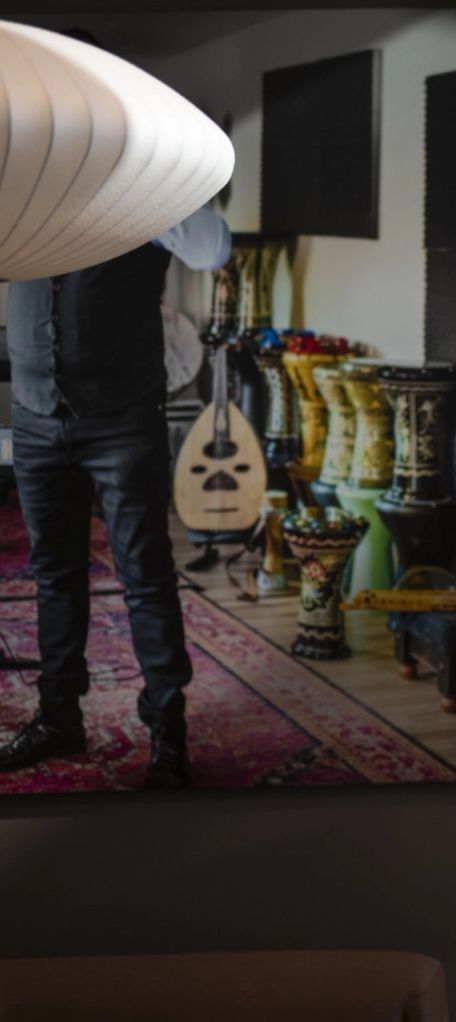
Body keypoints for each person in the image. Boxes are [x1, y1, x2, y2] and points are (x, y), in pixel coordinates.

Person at [0, 205, 231, 788]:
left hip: (123, 419)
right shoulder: (28, 183)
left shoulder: (144, 186)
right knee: (54, 574)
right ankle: (58, 717)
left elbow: (212, 250)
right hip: (35, 413)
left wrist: (146, 183)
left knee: (145, 574)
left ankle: (167, 728)